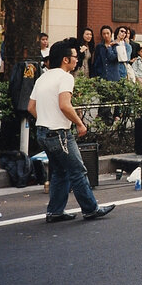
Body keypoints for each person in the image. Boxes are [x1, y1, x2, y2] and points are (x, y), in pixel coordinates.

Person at [27, 41, 115, 223]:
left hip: (43, 132)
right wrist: (80, 123)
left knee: (59, 172)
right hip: (59, 133)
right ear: (65, 59)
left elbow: (31, 107)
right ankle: (91, 209)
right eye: (75, 57)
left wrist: (45, 118)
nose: (77, 60)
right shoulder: (66, 77)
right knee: (77, 171)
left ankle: (55, 211)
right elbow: (64, 105)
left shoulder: (42, 78)